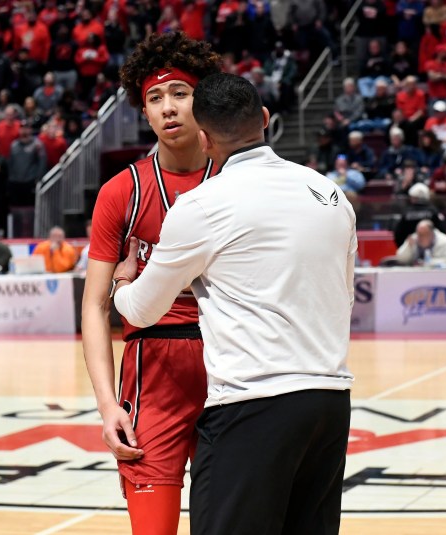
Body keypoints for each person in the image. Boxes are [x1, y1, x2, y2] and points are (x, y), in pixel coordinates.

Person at [112, 72, 355, 535]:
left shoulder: (204, 205)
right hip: (330, 403)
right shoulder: (329, 193)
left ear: (204, 139)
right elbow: (343, 293)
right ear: (265, 119)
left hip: (252, 405)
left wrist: (120, 285)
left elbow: (143, 310)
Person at [81, 32, 221, 535]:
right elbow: (96, 307)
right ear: (144, 112)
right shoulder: (123, 190)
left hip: (230, 367)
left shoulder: (236, 180)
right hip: (151, 373)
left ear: (202, 98)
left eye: (180, 93)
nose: (168, 107)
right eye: (154, 99)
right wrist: (106, 404)